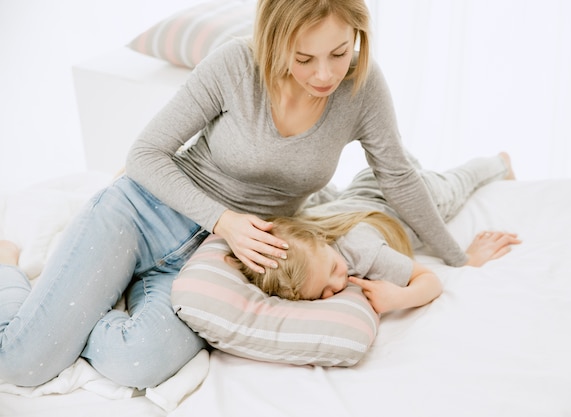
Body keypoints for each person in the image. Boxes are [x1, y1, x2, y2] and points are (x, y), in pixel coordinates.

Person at [1, 0, 511, 389]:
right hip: (144, 215)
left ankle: (88, 301)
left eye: (340, 51)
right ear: (273, 40)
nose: (325, 74)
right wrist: (224, 219)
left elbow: (398, 176)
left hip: (219, 259)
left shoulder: (362, 86)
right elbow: (145, 155)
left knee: (138, 363)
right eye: (305, 57)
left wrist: (457, 259)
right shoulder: (234, 66)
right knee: (23, 363)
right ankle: (10, 265)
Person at [235, 152, 521, 314]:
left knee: (456, 183)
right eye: (323, 293)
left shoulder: (362, 251)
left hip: (412, 198)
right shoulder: (303, 230)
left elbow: (428, 280)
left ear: (321, 239)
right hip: (366, 182)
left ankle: (500, 163)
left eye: (334, 268)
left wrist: (399, 298)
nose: (339, 282)